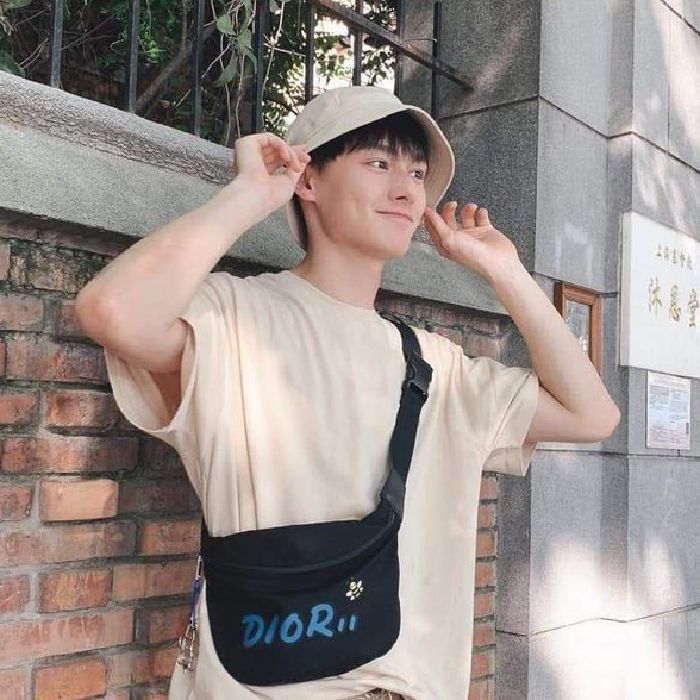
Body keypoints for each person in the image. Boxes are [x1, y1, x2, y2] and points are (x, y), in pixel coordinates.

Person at [75, 85, 620, 700]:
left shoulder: (436, 365)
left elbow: (592, 415)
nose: (406, 190)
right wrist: (249, 194)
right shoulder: (232, 317)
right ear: (308, 179)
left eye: (416, 173)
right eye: (378, 163)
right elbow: (111, 311)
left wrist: (506, 272)